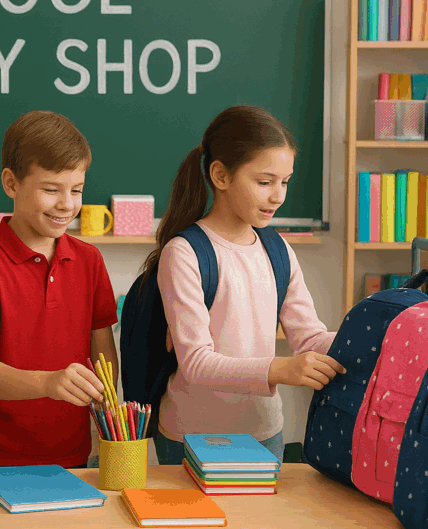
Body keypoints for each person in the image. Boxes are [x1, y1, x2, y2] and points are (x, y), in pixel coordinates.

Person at [145, 104, 343, 464]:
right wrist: (277, 369)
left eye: (285, 182)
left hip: (265, 433)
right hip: (192, 437)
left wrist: (369, 337)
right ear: (220, 176)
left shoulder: (277, 248)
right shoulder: (185, 253)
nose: (278, 196)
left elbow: (309, 338)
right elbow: (197, 363)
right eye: (264, 182)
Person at [0, 110, 118, 512]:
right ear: (11, 182)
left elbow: (103, 356)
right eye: (51, 189)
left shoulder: (89, 260)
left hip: (72, 459)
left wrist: (111, 418)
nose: (67, 205)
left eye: (77, 190)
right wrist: (48, 383)